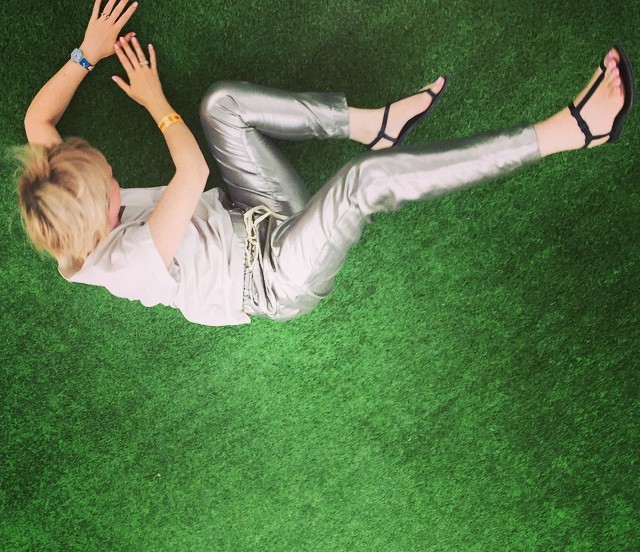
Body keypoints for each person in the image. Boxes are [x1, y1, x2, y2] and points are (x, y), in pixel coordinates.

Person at [16, 0, 635, 326]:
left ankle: (376, 125)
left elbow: (37, 123)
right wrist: (156, 103)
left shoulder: (65, 206)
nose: (118, 180)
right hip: (274, 276)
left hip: (251, 212)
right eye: (112, 188)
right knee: (364, 182)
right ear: (99, 224)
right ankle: (572, 130)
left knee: (221, 105)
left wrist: (86, 53)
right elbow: (192, 172)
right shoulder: (129, 262)